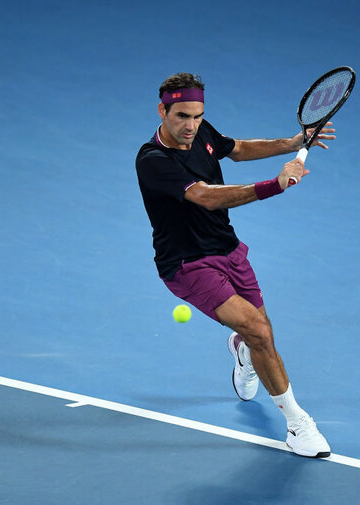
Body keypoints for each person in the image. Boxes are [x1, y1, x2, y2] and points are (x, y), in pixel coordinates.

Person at [135, 72, 334, 458]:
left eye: (197, 115)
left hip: (227, 248)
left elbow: (237, 148)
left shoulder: (201, 130)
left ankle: (244, 354)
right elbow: (207, 197)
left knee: (261, 334)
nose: (191, 125)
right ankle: (297, 425)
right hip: (186, 263)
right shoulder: (153, 160)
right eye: (181, 116)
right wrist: (274, 185)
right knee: (259, 329)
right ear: (162, 110)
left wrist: (293, 142)